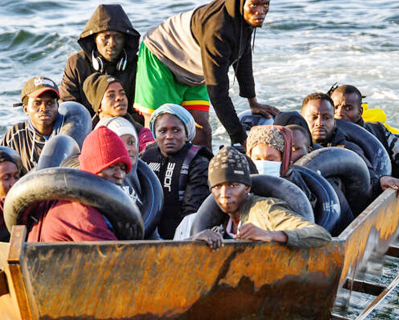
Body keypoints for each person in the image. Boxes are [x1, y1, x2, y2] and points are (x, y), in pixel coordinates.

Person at [134, 0, 279, 148]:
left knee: (201, 132)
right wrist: (241, 138)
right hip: (161, 56)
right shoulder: (218, 30)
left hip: (192, 66)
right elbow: (218, 93)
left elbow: (243, 54)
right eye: (254, 5)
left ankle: (203, 173)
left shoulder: (243, 16)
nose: (260, 11)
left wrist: (252, 101)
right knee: (160, 131)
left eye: (265, 5)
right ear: (241, 1)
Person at [192, 147, 331, 250]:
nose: (224, 193)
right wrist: (194, 241)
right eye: (218, 187)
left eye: (233, 185)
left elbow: (320, 235)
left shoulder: (265, 210)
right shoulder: (217, 222)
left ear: (247, 188)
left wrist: (270, 235)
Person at [27, 126, 132, 243]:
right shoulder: (81, 212)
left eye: (122, 168)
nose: (120, 175)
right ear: (93, 169)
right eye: (111, 167)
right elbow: (113, 257)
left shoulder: (80, 201)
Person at [247, 125, 353, 235]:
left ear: (283, 159)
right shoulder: (242, 183)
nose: (263, 163)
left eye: (271, 159)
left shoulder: (298, 185)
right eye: (257, 159)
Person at [301, 92, 399, 195]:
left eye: (326, 118)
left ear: (334, 121)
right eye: (314, 117)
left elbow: (367, 172)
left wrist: (380, 180)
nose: (319, 123)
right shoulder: (294, 145)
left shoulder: (347, 149)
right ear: (302, 119)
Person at [140, 104, 212, 239]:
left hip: (184, 234)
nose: (169, 136)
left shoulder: (199, 162)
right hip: (147, 232)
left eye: (176, 130)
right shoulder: (145, 158)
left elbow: (193, 210)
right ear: (155, 133)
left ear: (186, 133)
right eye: (163, 131)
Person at [60, 4, 141, 120]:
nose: (112, 43)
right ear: (95, 38)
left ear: (125, 39)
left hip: (127, 127)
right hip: (85, 128)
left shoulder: (136, 65)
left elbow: (140, 111)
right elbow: (67, 107)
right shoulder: (76, 63)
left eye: (118, 37)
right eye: (106, 37)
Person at [2, 76, 64, 173]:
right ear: (26, 109)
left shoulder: (69, 129)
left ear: (58, 106)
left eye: (50, 103)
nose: (44, 108)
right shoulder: (16, 135)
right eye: (37, 103)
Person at [82, 73, 154, 151]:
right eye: (111, 95)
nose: (119, 98)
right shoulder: (86, 135)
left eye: (122, 93)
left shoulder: (141, 133)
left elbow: (149, 148)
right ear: (98, 105)